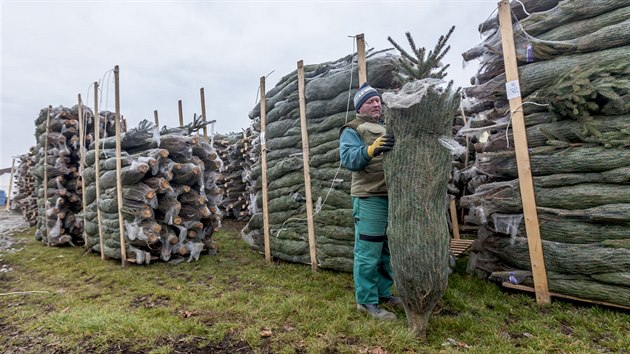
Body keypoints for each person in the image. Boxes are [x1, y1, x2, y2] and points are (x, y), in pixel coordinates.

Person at [339, 82, 401, 321]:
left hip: (390, 196)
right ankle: (365, 301)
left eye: (378, 101)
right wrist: (371, 149)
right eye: (370, 101)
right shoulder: (352, 129)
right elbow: (349, 159)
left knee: (386, 250)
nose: (376, 104)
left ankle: (383, 293)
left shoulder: (386, 126)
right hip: (369, 197)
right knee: (368, 251)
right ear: (360, 106)